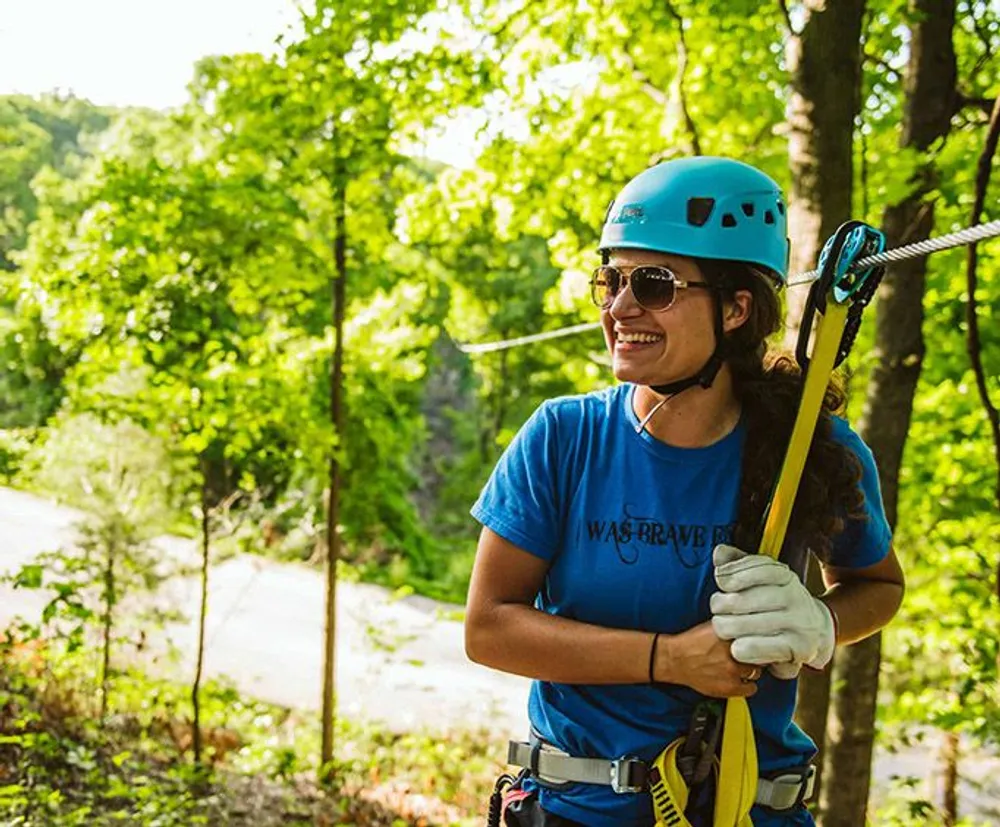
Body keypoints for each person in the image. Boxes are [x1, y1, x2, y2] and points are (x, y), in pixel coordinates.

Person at [464, 157, 905, 827]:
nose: (619, 307)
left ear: (736, 307)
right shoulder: (564, 437)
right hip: (577, 808)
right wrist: (670, 659)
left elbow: (880, 585)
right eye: (611, 280)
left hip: (749, 808)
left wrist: (823, 624)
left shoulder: (812, 449)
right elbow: (489, 626)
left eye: (654, 284)